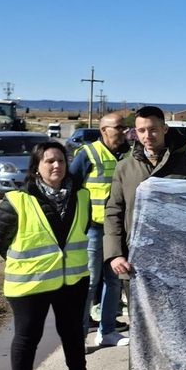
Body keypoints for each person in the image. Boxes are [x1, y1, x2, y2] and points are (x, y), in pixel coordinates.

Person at [105, 106, 186, 370]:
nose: (147, 135)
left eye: (152, 129)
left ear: (164, 128)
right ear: (134, 133)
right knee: (140, 323)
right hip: (137, 262)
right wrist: (115, 254)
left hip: (180, 257)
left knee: (183, 318)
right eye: (141, 130)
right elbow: (114, 211)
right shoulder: (126, 167)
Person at [0, 141, 92, 370]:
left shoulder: (82, 196)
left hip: (72, 281)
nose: (57, 165)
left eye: (61, 160)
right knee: (27, 338)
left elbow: (82, 230)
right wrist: (28, 262)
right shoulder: (16, 200)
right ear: (37, 167)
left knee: (73, 337)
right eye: (49, 161)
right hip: (30, 283)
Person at [68, 112, 129, 347]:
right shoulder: (88, 153)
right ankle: (80, 336)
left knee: (113, 282)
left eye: (125, 128)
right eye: (119, 128)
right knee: (91, 282)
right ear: (104, 130)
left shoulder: (128, 154)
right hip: (93, 230)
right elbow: (72, 188)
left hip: (116, 231)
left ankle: (108, 331)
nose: (124, 132)